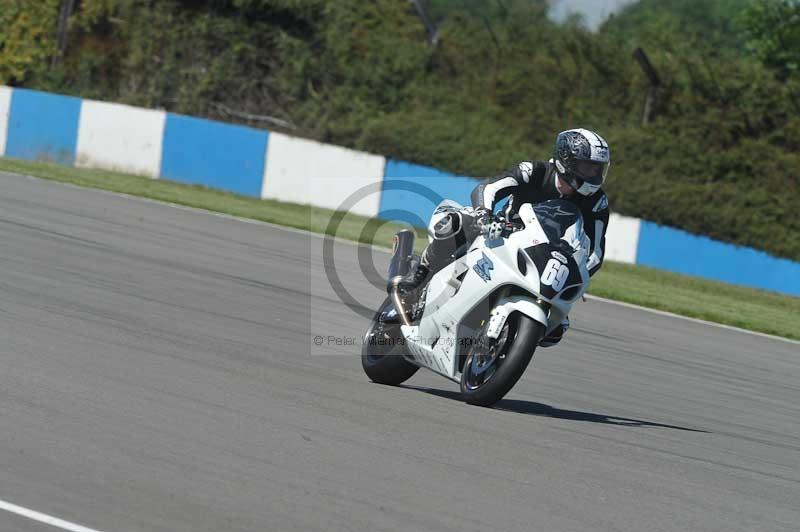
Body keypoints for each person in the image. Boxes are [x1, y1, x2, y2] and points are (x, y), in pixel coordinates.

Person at [399, 128, 611, 347]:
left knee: (556, 330)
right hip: (501, 233)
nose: (594, 175)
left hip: (543, 255)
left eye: (598, 169)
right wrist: (484, 215)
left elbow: (596, 252)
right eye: (588, 167)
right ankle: (420, 274)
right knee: (457, 222)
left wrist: (579, 273)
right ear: (566, 160)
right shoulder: (534, 171)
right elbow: (488, 188)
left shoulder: (597, 201)